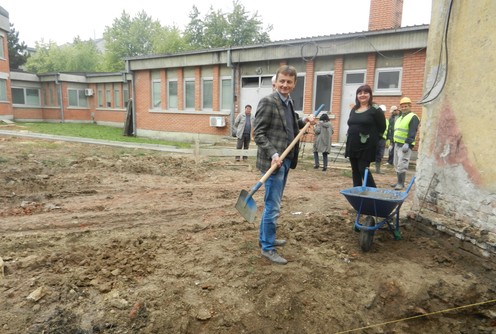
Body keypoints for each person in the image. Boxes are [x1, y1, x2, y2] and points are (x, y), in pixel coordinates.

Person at [254, 65, 316, 265]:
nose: (285, 85)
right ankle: (268, 247)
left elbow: (291, 124)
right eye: (282, 81)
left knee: (275, 202)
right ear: (276, 82)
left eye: (289, 82)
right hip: (274, 162)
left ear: (294, 84)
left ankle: (267, 238)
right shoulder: (267, 102)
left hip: (287, 160)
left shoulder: (289, 102)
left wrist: (304, 120)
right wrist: (273, 153)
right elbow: (259, 133)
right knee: (272, 206)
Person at [344, 84, 386, 188]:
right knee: (355, 170)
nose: (362, 95)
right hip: (352, 144)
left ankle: (372, 193)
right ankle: (357, 192)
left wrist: (374, 140)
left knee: (363, 169)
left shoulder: (375, 110)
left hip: (366, 146)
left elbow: (382, 127)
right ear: (357, 95)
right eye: (360, 93)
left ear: (370, 95)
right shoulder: (354, 109)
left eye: (365, 92)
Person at [390, 97, 420, 190]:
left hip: (405, 145)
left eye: (405, 106)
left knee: (402, 164)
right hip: (397, 144)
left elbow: (412, 131)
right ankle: (398, 181)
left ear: (410, 106)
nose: (403, 108)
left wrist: (408, 143)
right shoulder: (400, 118)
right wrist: (392, 143)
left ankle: (401, 183)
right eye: (402, 106)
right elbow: (396, 131)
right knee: (396, 164)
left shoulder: (413, 117)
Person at [374, 105, 388, 174]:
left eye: (383, 111)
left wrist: (388, 140)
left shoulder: (386, 121)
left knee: (380, 154)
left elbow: (388, 130)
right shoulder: (375, 120)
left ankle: (377, 169)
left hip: (383, 139)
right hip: (376, 139)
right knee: (374, 153)